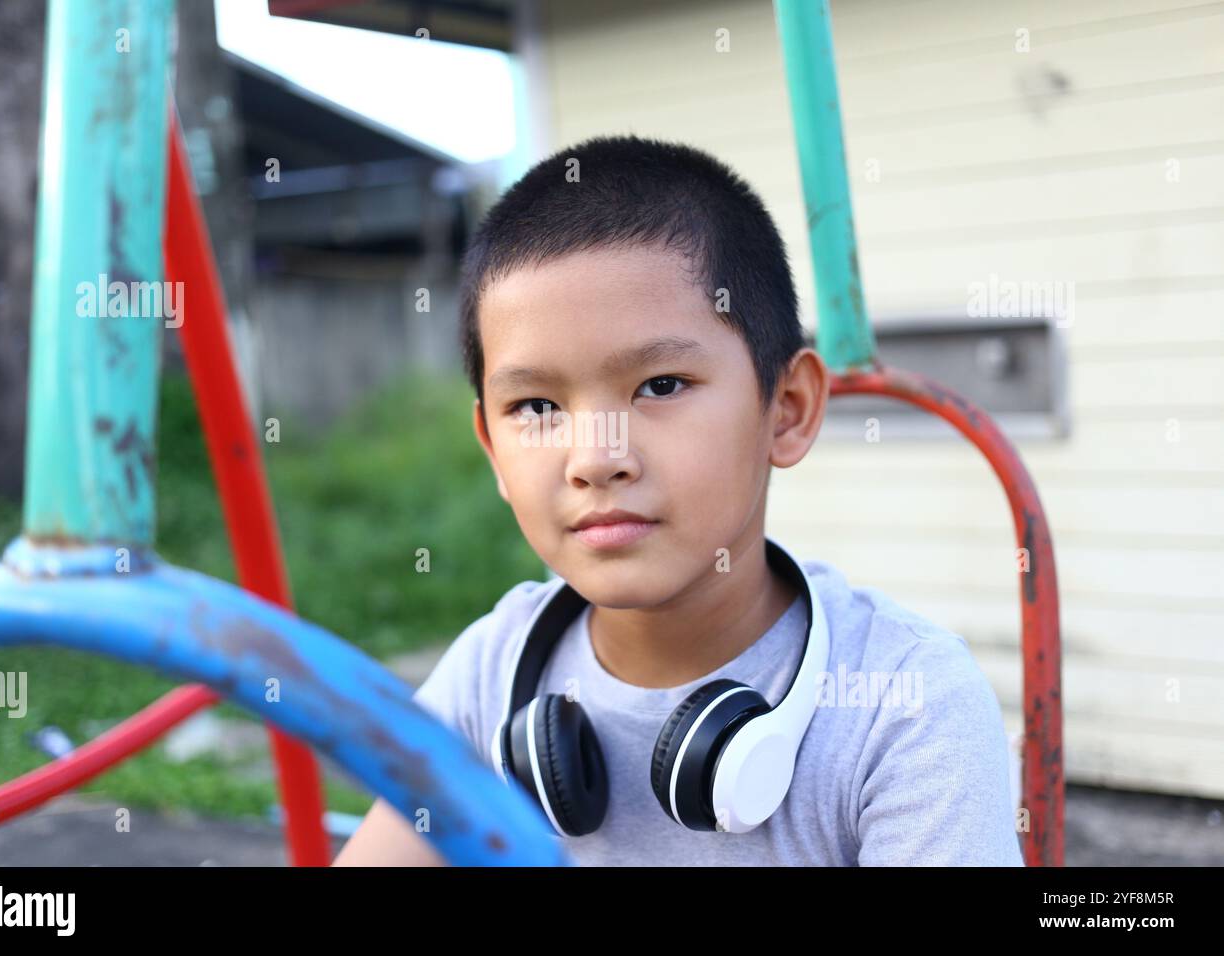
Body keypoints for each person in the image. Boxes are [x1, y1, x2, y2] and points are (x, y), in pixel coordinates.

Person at [333, 134, 1024, 867]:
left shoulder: (902, 705)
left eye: (658, 387)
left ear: (785, 409)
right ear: (492, 451)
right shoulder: (490, 674)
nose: (596, 458)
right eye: (536, 406)